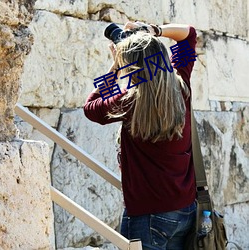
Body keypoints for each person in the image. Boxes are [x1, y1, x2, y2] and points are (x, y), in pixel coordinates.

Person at [84, 21, 197, 250]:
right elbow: (188, 35)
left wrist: (115, 66)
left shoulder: (129, 101)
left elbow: (90, 107)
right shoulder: (181, 87)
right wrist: (153, 30)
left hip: (147, 216)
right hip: (185, 209)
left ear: (130, 66)